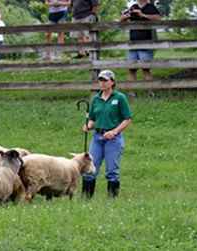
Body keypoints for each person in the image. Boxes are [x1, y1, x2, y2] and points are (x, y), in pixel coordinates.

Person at [82, 70, 132, 199]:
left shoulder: (119, 98)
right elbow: (92, 118)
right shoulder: (96, 99)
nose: (102, 83)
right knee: (90, 169)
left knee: (112, 171)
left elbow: (127, 119)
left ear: (112, 82)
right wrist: (88, 126)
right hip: (97, 138)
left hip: (113, 139)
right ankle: (86, 200)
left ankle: (112, 201)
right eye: (100, 80)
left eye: (105, 80)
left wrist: (114, 131)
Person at [121, 0, 161, 81]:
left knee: (145, 69)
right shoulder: (133, 7)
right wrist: (125, 17)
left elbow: (158, 18)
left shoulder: (151, 7)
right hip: (132, 43)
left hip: (146, 43)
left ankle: (150, 92)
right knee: (131, 69)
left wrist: (142, 15)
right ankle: (132, 92)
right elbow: (121, 20)